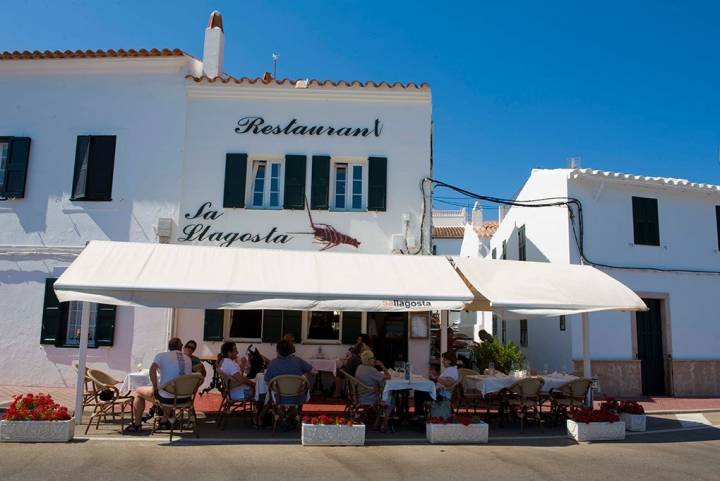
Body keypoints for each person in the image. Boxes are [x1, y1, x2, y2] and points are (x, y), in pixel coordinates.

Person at [124, 337, 192, 433]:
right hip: (186, 398)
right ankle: (164, 420)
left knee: (138, 391)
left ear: (169, 347)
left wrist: (155, 388)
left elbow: (152, 370)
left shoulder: (161, 356)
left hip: (168, 398)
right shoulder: (188, 358)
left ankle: (137, 424)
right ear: (181, 347)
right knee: (168, 390)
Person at [354, 350, 393, 432]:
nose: (374, 360)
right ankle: (383, 423)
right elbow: (388, 377)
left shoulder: (360, 367)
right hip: (370, 397)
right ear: (368, 360)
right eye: (373, 358)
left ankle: (377, 421)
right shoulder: (371, 370)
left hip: (360, 396)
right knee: (391, 399)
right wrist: (382, 365)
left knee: (386, 396)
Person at [414, 351, 459, 420]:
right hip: (438, 393)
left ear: (449, 361)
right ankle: (420, 414)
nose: (442, 361)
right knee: (419, 391)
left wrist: (436, 378)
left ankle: (420, 414)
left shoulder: (452, 370)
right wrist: (435, 377)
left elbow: (448, 383)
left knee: (418, 392)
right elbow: (445, 381)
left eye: (444, 360)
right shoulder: (450, 370)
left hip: (440, 395)